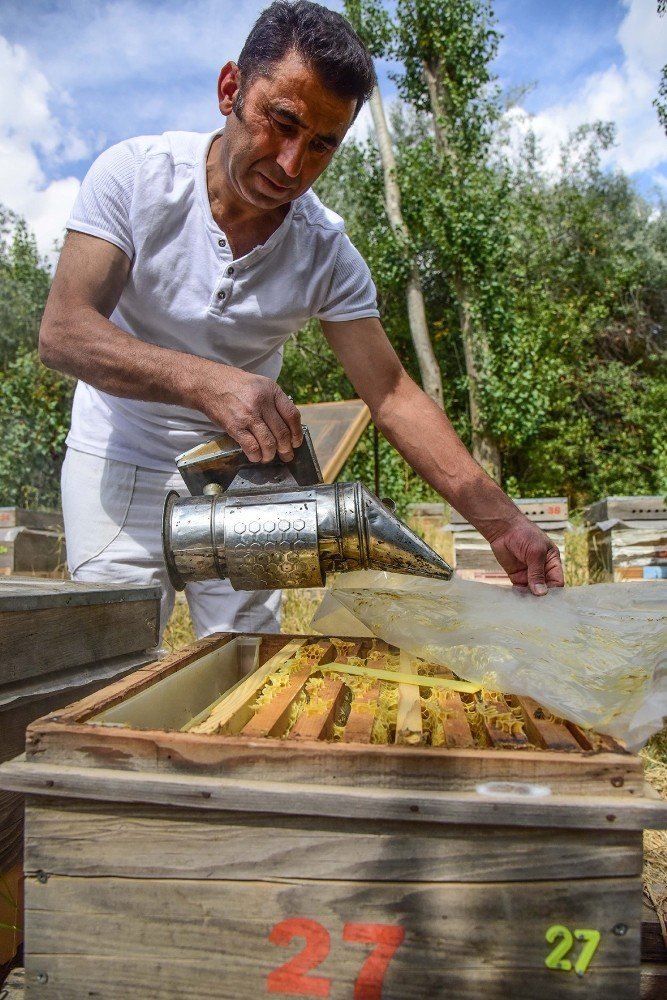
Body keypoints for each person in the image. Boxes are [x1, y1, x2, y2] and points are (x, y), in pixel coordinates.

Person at [39, 0, 564, 640]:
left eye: (321, 145)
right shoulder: (135, 176)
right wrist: (211, 382)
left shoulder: (326, 252)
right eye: (281, 122)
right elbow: (64, 331)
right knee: (109, 660)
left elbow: (393, 394)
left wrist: (502, 522)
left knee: (245, 663)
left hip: (244, 482)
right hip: (118, 461)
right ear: (230, 88)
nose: (292, 165)